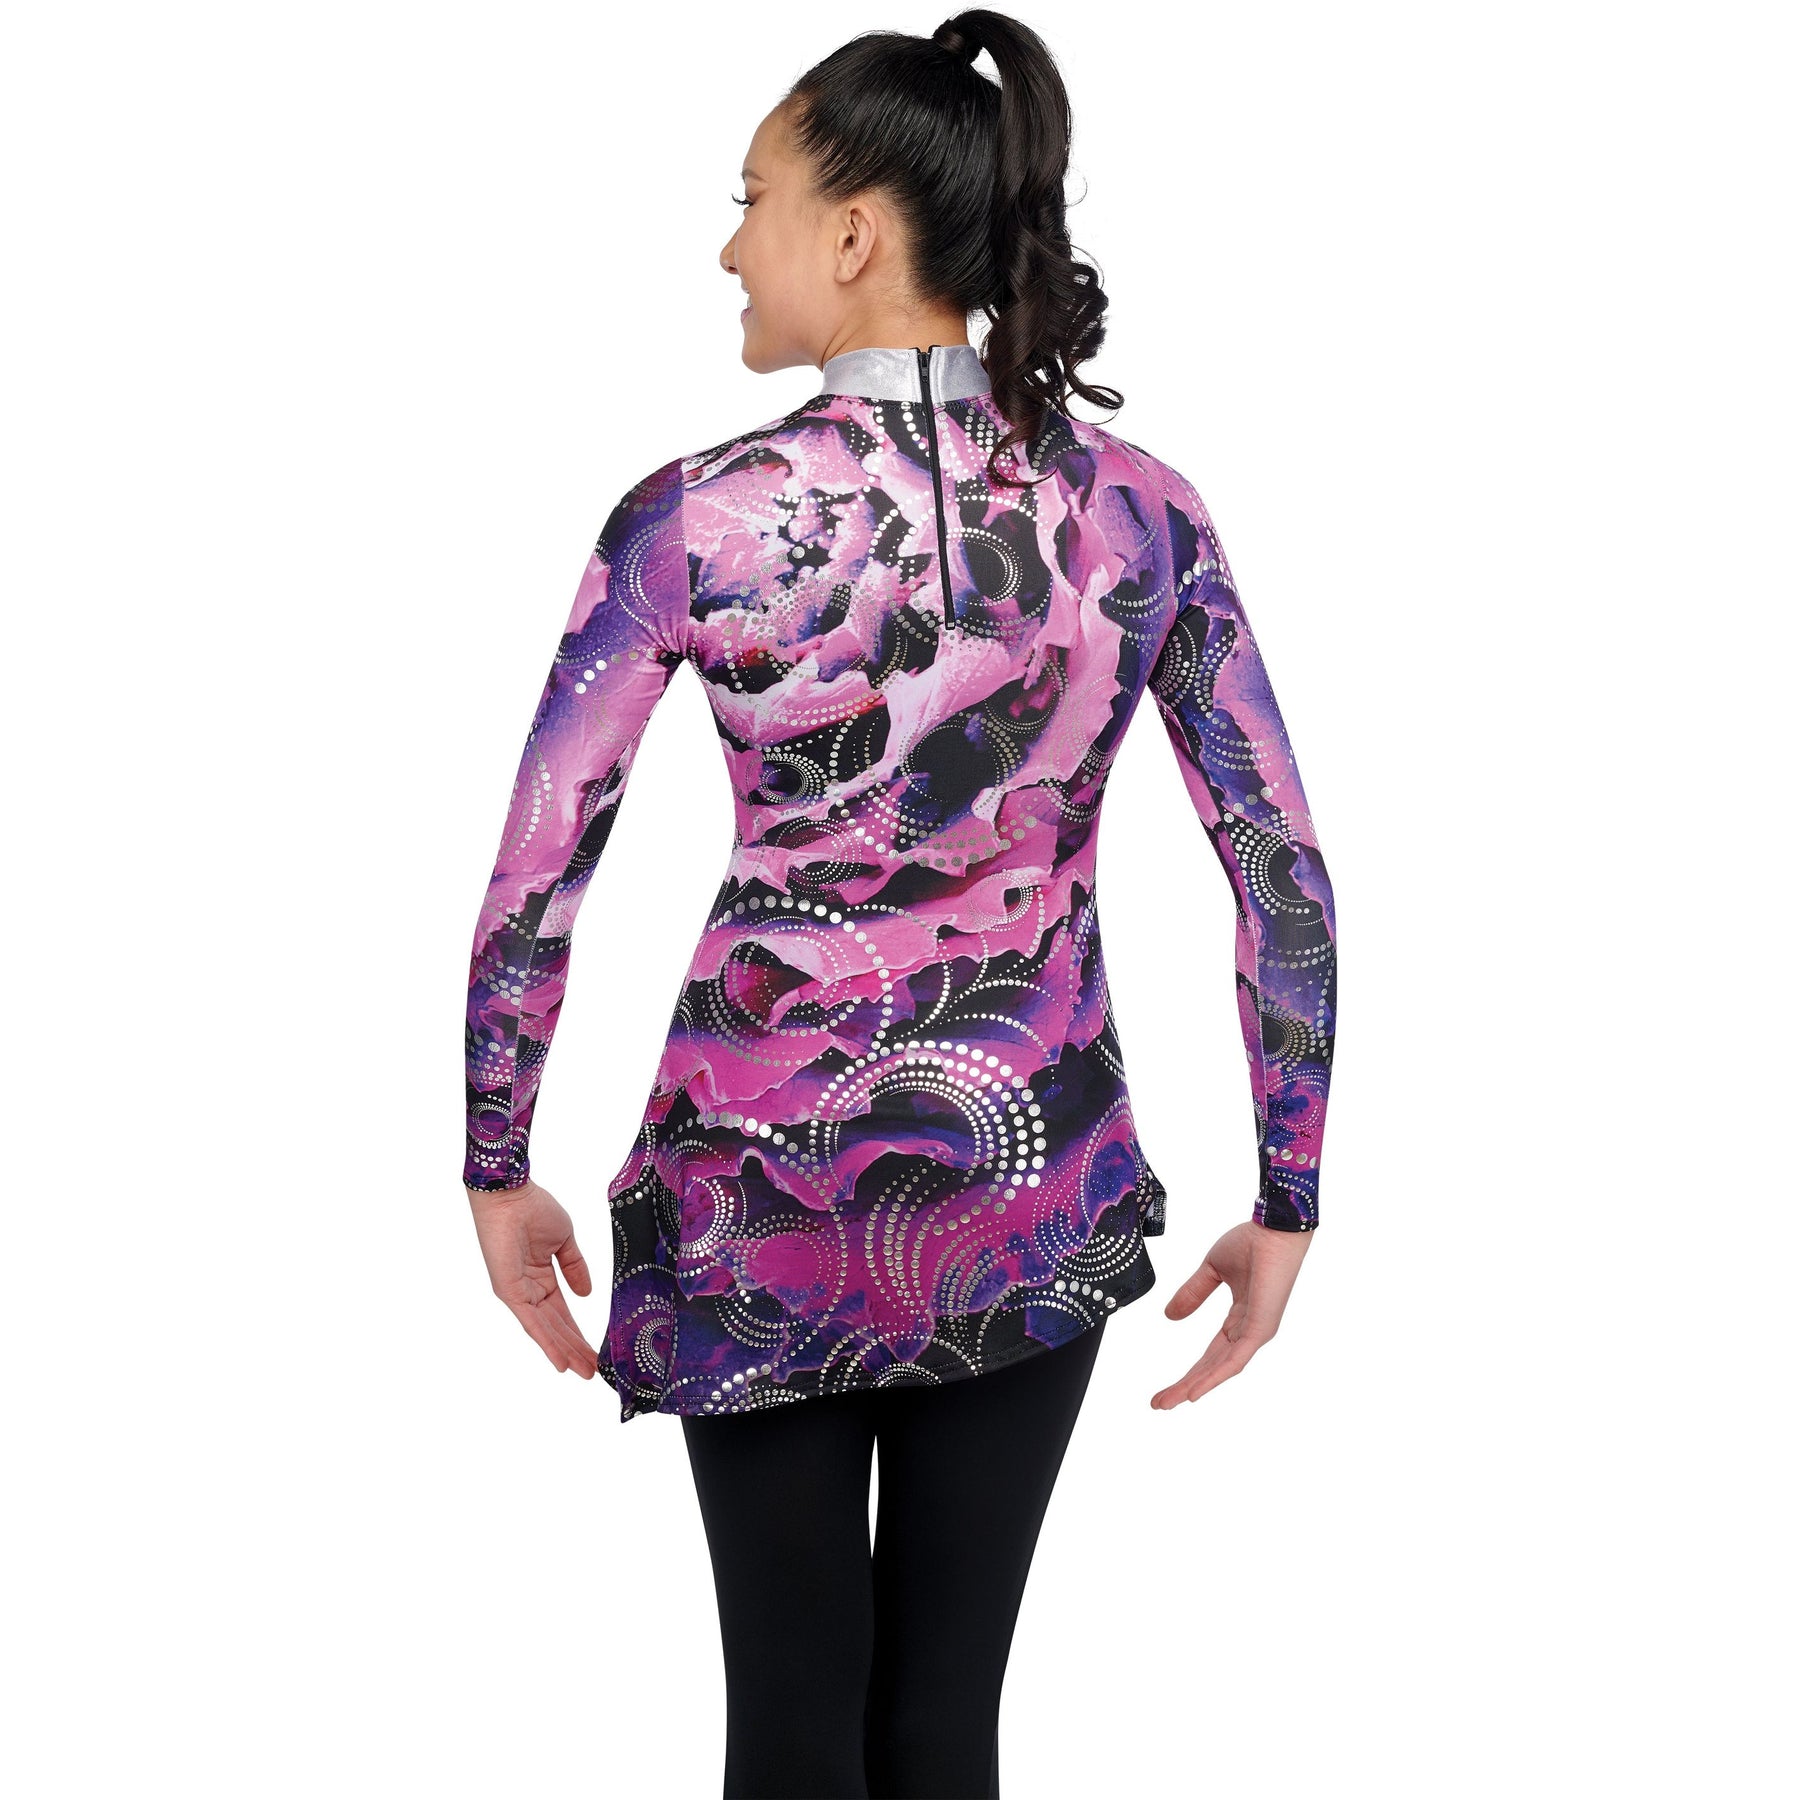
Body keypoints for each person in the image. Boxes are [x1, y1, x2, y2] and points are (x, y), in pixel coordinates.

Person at [460, 10, 1337, 1796]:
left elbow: (542, 863)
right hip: (1034, 1183)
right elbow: (1282, 869)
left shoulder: (692, 520)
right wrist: (1288, 1189)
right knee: (946, 1725)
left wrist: (496, 1157)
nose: (729, 246)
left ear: (854, 230)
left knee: (789, 1724)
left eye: (752, 199)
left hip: (753, 1187)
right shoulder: (1143, 514)